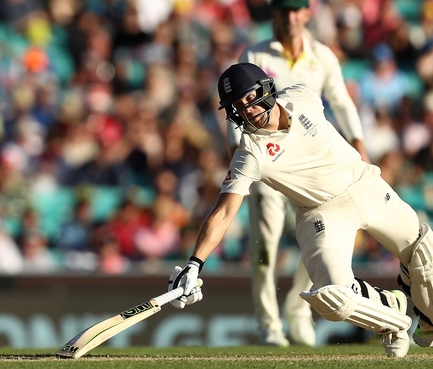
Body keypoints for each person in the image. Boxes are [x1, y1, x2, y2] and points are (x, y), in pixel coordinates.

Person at [170, 62, 433, 358]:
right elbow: (224, 212)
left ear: (266, 89)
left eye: (250, 98)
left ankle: (429, 319)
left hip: (364, 184)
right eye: (238, 106)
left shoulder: (303, 96)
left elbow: (338, 96)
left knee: (425, 254)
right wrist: (195, 263)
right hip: (322, 213)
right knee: (334, 297)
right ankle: (391, 314)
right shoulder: (250, 153)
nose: (247, 110)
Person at [233, 0, 369, 347]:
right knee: (265, 247)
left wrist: (358, 142)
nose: (291, 18)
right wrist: (241, 154)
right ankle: (268, 324)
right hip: (268, 165)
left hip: (311, 169)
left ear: (307, 14)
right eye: (284, 11)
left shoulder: (322, 56)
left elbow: (341, 101)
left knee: (319, 240)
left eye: (297, 11)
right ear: (274, 16)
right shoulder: (255, 53)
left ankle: (297, 309)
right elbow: (239, 108)